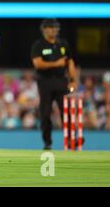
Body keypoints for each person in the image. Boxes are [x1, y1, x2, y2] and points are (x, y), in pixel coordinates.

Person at [30, 18, 79, 150]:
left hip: (61, 81)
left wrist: (73, 79)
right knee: (45, 113)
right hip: (45, 82)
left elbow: (70, 62)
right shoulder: (39, 45)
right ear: (44, 30)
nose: (54, 30)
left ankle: (71, 139)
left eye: (56, 27)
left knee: (66, 111)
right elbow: (37, 63)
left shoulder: (63, 44)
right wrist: (56, 64)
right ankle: (47, 142)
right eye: (51, 27)